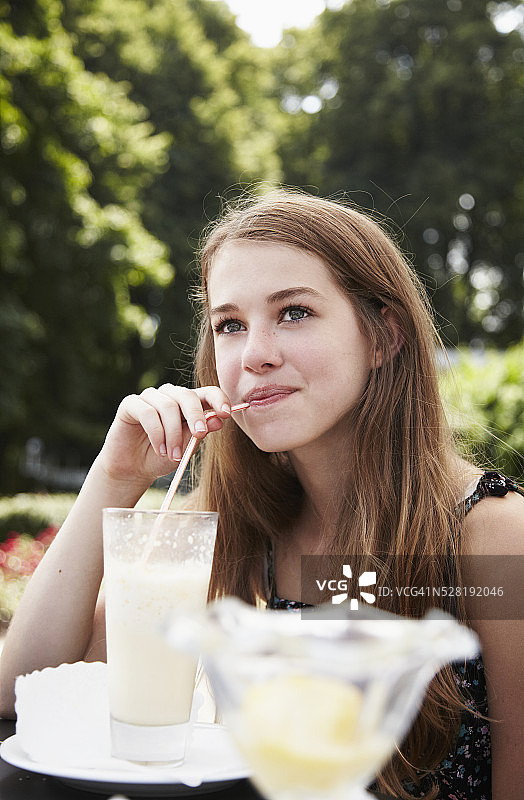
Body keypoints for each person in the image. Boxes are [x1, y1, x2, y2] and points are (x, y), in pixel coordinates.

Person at [0, 190, 522, 799]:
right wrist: (114, 478)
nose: (255, 355)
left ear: (384, 335)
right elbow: (22, 692)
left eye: (294, 312)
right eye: (230, 325)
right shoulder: (223, 537)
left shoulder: (491, 533)